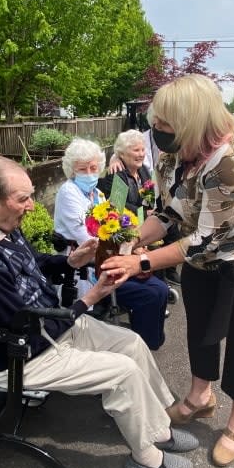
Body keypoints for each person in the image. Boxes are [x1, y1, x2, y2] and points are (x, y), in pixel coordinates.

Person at [0, 154, 198, 468]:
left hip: (48, 330)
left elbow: (34, 263)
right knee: (122, 373)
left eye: (31, 195)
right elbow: (24, 323)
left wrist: (71, 262)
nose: (32, 205)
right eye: (23, 199)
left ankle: (159, 426)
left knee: (131, 343)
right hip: (20, 356)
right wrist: (91, 297)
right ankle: (147, 457)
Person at [102, 74, 234, 468]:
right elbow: (169, 211)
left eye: (165, 124)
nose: (157, 131)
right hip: (202, 252)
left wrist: (141, 262)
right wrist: (134, 240)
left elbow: (204, 240)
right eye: (156, 123)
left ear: (193, 121)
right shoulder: (171, 152)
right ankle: (200, 396)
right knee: (202, 324)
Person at [53, 138, 168, 351]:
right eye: (82, 169)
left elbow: (117, 224)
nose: (89, 173)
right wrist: (130, 250)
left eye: (94, 167)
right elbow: (90, 239)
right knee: (151, 292)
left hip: (108, 257)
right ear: (72, 170)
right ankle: (142, 345)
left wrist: (133, 245)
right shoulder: (70, 192)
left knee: (159, 287)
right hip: (87, 267)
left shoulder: (97, 192)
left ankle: (149, 342)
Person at [107, 129, 182, 286]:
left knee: (173, 227)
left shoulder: (143, 170)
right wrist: (144, 212)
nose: (141, 154)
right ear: (122, 154)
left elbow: (152, 191)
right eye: (136, 150)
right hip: (129, 222)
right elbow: (117, 206)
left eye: (142, 150)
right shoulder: (117, 174)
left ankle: (169, 271)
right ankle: (159, 280)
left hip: (147, 216)